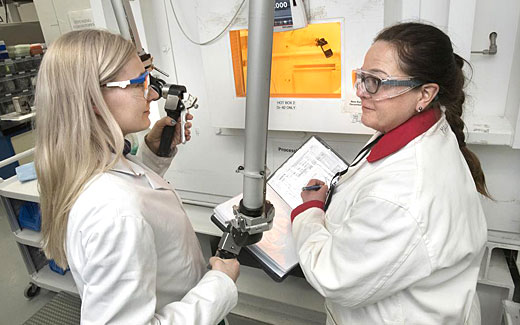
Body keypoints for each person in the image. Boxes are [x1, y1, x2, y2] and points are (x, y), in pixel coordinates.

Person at [34, 29, 239, 324]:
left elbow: (129, 188)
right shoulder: (114, 213)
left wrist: (153, 156)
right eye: (139, 83)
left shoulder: (95, 165)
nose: (153, 94)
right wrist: (219, 284)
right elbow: (125, 207)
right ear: (93, 99)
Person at [291, 22, 490, 324]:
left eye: (376, 82)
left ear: (425, 94)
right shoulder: (420, 125)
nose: (360, 91)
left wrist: (309, 213)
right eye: (361, 78)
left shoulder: (403, 194)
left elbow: (332, 277)